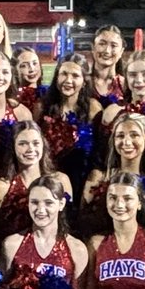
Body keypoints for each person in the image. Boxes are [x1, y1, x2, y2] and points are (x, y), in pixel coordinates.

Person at [81, 113, 145, 236]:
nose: (126, 142)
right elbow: (82, 222)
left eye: (134, 135)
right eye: (120, 136)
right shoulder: (98, 178)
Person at [37, 53, 102, 201]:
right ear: (56, 77)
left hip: (82, 181)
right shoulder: (42, 107)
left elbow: (99, 151)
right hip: (50, 181)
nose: (68, 80)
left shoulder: (93, 108)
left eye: (75, 76)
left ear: (84, 81)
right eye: (64, 74)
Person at [0, 121, 72, 238]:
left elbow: (68, 223)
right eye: (23, 144)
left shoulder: (60, 180)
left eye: (35, 143)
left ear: (43, 145)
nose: (30, 149)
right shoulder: (3, 186)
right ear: (13, 147)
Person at [90, 25, 126, 104]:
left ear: (121, 52)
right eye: (102, 44)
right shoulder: (82, 83)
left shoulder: (126, 85)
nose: (107, 51)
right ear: (93, 48)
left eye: (113, 46)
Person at [13, 46, 45, 111]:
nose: (31, 69)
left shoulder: (48, 93)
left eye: (35, 63)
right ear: (14, 70)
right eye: (24, 66)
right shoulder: (12, 98)